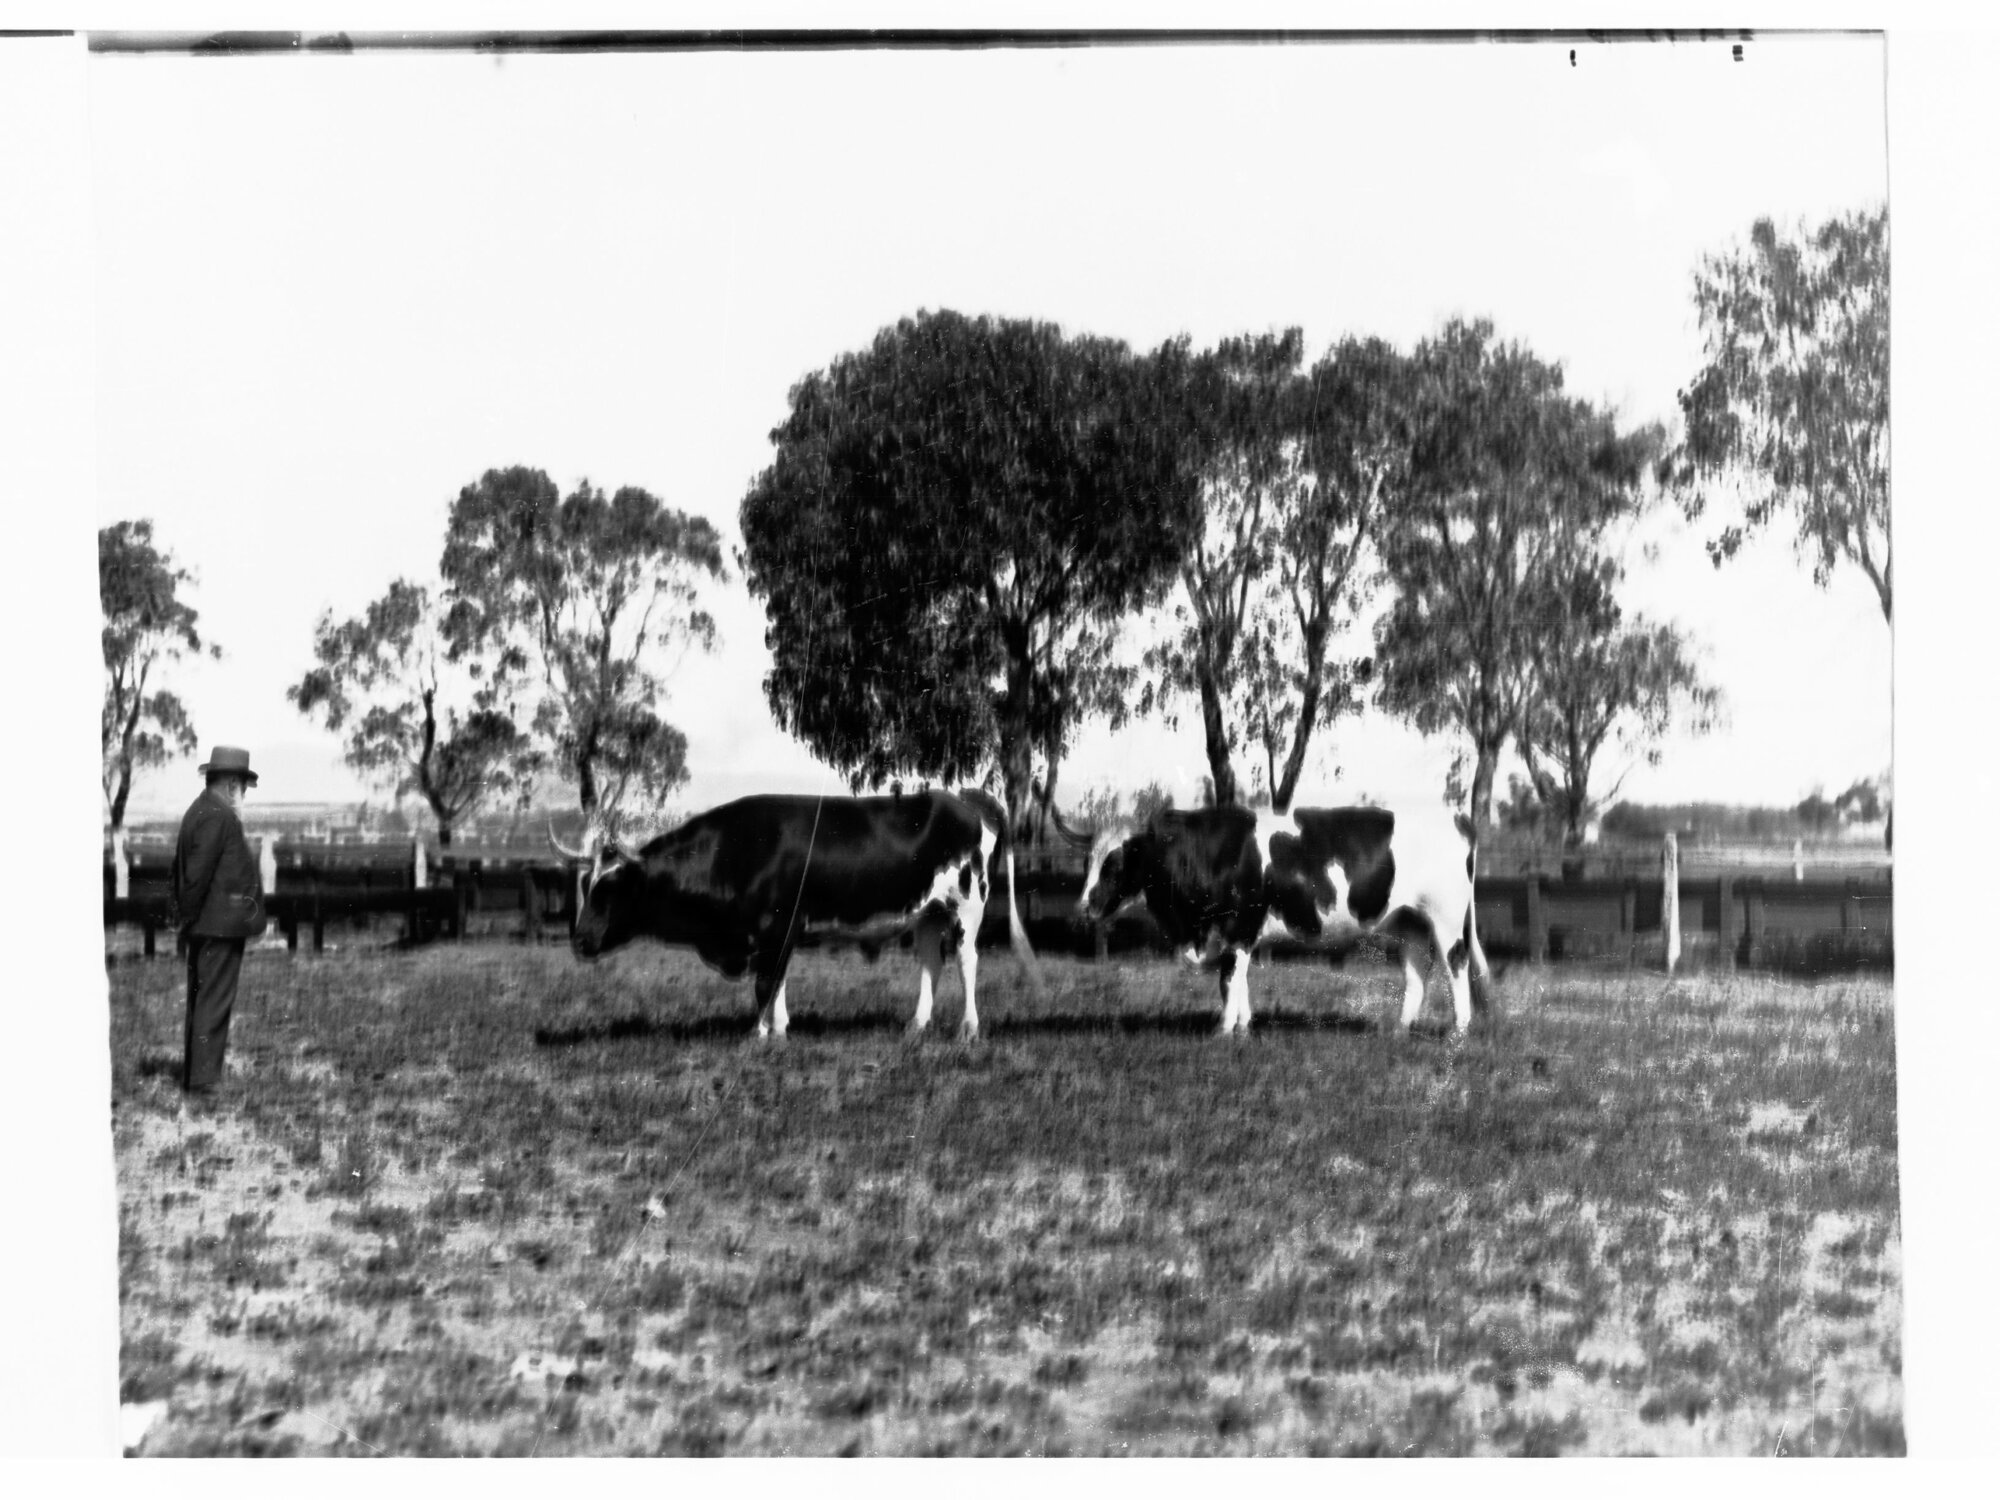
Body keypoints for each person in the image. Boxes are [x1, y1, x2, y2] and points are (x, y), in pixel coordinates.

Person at [171, 746, 268, 1100]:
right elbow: (196, 876)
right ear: (230, 785)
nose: (242, 796)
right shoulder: (219, 817)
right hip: (217, 927)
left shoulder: (198, 811)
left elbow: (185, 874)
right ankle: (203, 1084)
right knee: (213, 1001)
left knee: (202, 1000)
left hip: (205, 925)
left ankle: (197, 1076)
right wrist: (189, 919)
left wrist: (185, 921)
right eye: (242, 787)